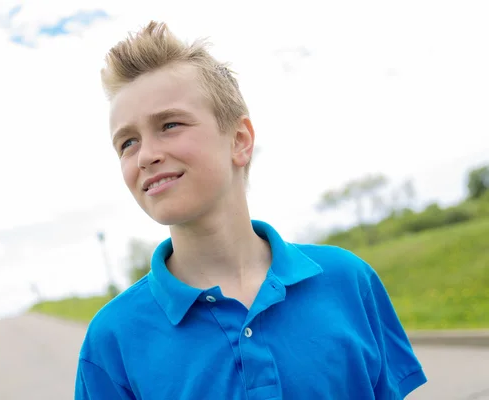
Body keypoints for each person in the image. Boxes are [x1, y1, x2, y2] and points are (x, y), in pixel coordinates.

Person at [75, 20, 427, 399]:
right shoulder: (112, 340)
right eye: (127, 142)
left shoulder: (348, 280)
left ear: (240, 141)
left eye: (170, 124)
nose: (146, 155)